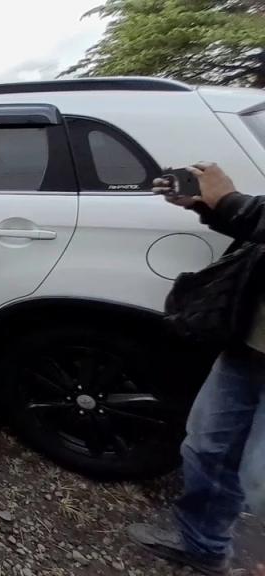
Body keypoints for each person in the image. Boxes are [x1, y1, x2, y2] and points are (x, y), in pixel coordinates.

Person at [128, 162, 265, 575]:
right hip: (249, 342)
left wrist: (231, 202)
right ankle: (202, 546)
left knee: (260, 483)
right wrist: (210, 206)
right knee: (207, 449)